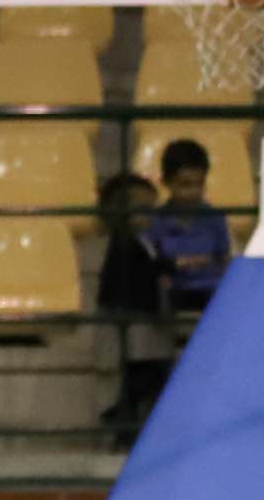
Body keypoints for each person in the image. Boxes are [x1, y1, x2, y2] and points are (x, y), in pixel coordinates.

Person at [95, 172, 173, 438]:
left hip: (145, 319)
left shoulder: (145, 241)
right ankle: (121, 419)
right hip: (134, 317)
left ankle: (127, 419)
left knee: (151, 373)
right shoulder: (125, 246)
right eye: (142, 210)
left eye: (152, 209)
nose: (151, 217)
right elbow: (138, 278)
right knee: (142, 374)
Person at [146, 139, 230, 313]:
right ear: (166, 182)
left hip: (210, 294)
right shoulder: (155, 221)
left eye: (199, 184)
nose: (194, 192)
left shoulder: (215, 218)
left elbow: (223, 258)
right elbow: (154, 265)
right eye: (185, 185)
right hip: (174, 295)